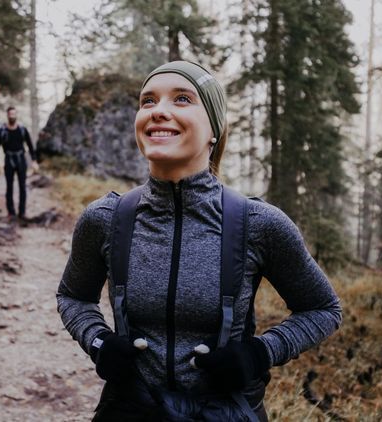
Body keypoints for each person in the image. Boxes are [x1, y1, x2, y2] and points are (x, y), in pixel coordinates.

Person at [56, 61, 342, 421]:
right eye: (148, 101)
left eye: (181, 99)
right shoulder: (105, 219)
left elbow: (322, 309)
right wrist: (99, 341)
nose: (158, 111)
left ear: (214, 130)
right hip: (129, 409)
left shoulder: (259, 224)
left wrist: (258, 354)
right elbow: (73, 296)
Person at [0, 106, 39, 220]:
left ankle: (22, 212)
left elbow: (30, 145)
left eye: (13, 114)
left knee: (22, 186)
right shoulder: (2, 131)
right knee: (9, 187)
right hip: (8, 159)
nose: (12, 116)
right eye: (10, 114)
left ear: (16, 115)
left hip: (21, 159)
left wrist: (34, 161)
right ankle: (11, 213)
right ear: (7, 116)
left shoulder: (22, 130)